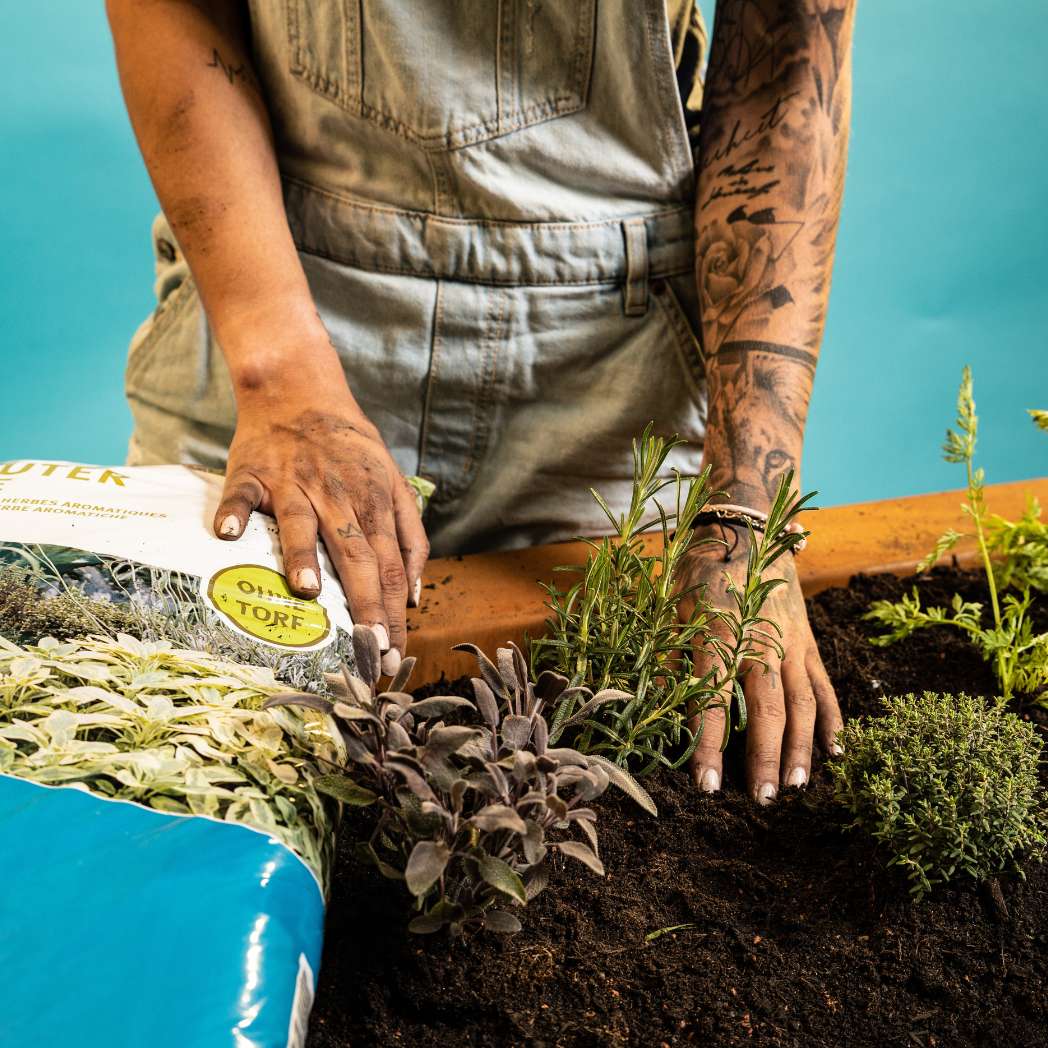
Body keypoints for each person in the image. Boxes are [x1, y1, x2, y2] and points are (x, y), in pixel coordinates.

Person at [107, 0, 855, 804]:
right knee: (165, 777)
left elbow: (784, 77)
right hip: (276, 288)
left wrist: (744, 510)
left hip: (610, 372)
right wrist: (283, 381)